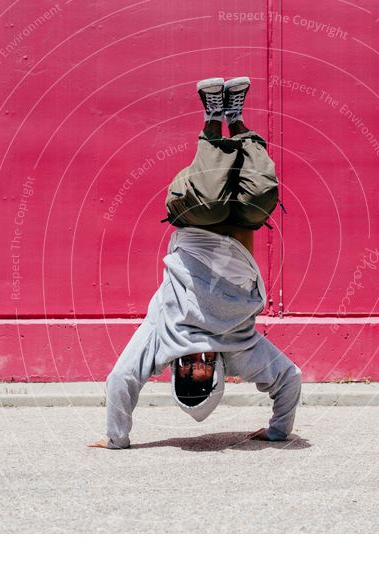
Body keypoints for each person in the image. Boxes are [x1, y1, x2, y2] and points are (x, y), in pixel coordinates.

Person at [89, 76, 301, 449]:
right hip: (240, 232)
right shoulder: (240, 354)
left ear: (175, 373)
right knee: (262, 193)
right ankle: (237, 121)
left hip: (191, 220)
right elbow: (289, 379)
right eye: (203, 375)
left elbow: (121, 379)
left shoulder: (161, 340)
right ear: (217, 375)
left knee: (211, 201)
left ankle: (211, 119)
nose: (195, 367)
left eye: (188, 374)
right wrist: (278, 431)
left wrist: (116, 439)